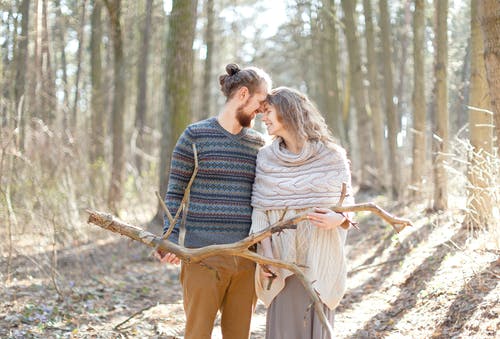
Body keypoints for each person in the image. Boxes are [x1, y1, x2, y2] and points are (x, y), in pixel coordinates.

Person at [156, 63, 272, 339]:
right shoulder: (194, 136)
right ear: (243, 94)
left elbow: (268, 200)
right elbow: (174, 193)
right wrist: (169, 237)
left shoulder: (259, 144)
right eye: (259, 102)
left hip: (245, 259)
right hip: (201, 258)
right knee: (197, 334)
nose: (261, 110)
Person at [250, 87, 354, 339]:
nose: (262, 118)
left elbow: (349, 205)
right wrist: (266, 256)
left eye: (268, 112)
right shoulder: (265, 158)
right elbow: (260, 211)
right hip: (281, 264)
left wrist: (338, 219)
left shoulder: (332, 156)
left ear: (288, 112)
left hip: (319, 262)